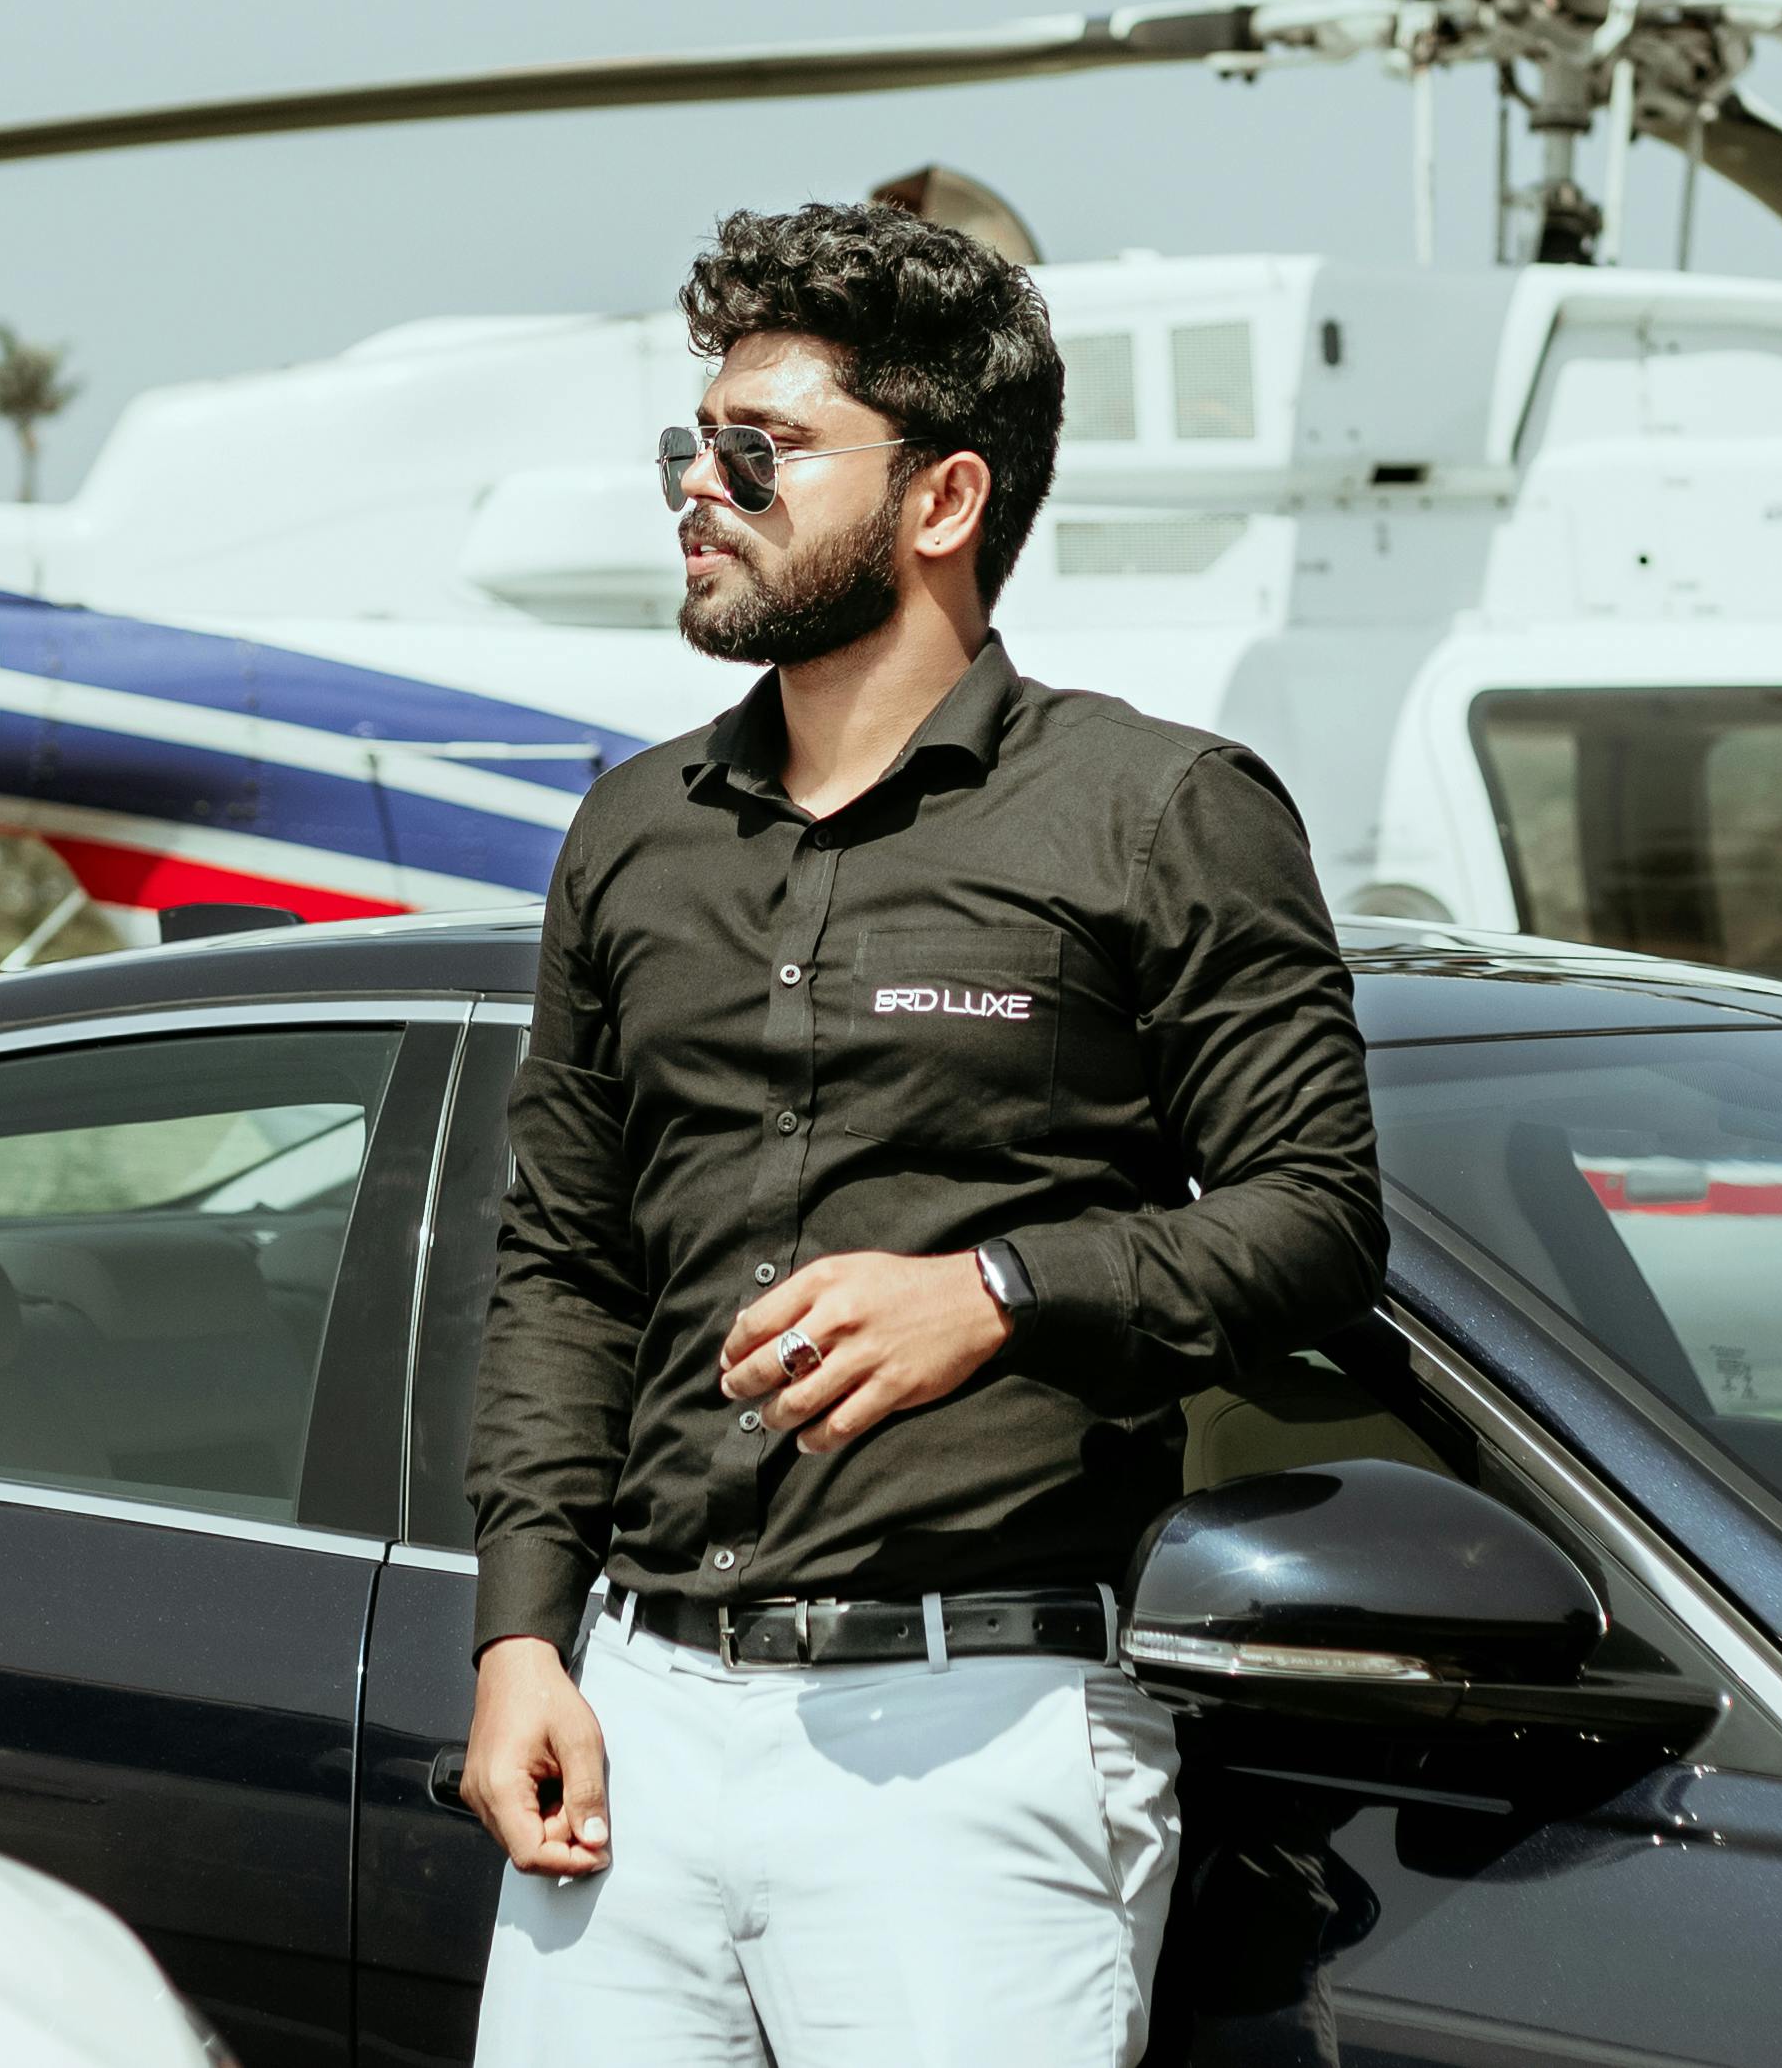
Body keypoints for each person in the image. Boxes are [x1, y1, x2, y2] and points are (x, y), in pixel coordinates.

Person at [461, 199, 1383, 2068]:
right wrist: (521, 1638)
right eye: (687, 445)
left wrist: (999, 1290)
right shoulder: (632, 830)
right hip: (627, 1721)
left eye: (758, 450)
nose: (695, 490)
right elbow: (563, 1260)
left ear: (942, 499)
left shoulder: (1159, 812)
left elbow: (1315, 1220)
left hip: (970, 1755)